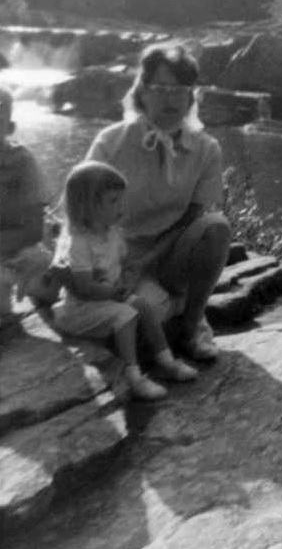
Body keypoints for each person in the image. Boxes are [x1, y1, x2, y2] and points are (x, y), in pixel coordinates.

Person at [85, 43, 231, 361]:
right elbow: (83, 210)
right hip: (118, 254)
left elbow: (195, 216)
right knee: (143, 325)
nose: (171, 98)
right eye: (162, 88)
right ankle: (171, 311)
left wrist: (150, 258)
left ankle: (192, 327)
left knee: (216, 228)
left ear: (191, 96)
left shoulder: (206, 149)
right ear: (142, 91)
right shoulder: (111, 142)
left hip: (170, 250)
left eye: (181, 89)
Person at [52, 160, 198, 400]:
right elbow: (84, 287)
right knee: (125, 314)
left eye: (121, 199)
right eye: (113, 201)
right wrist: (114, 293)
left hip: (103, 299)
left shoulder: (111, 232)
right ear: (87, 206)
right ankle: (134, 378)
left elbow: (119, 266)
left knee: (142, 305)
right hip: (80, 309)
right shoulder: (79, 242)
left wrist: (128, 276)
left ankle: (167, 361)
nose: (121, 207)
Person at [0, 85, 52, 319]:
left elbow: (34, 230)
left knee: (45, 269)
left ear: (9, 127)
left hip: (15, 252)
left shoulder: (23, 162)